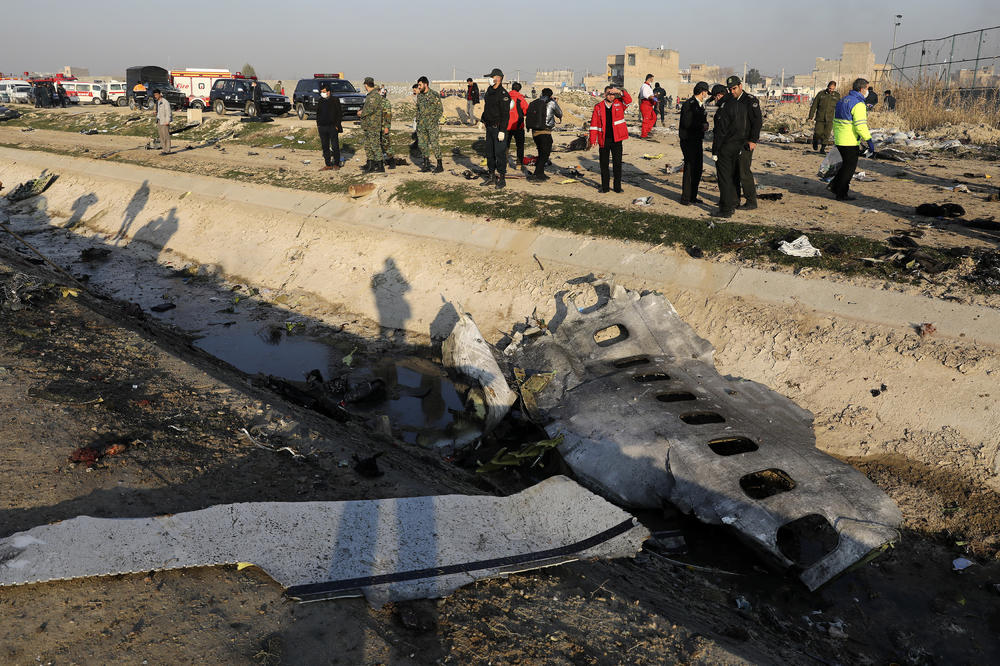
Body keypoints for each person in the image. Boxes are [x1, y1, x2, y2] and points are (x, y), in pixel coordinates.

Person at [830, 78, 874, 202]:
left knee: (843, 166)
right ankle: (841, 193)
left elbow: (836, 121)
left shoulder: (842, 100)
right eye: (866, 88)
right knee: (849, 169)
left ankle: (835, 187)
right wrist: (869, 141)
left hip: (840, 139)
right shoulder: (858, 104)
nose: (867, 91)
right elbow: (860, 126)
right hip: (850, 141)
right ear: (861, 89)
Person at [723, 75, 762, 210]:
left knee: (744, 171)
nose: (732, 91)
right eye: (730, 89)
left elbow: (757, 122)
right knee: (733, 171)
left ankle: (751, 201)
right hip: (732, 141)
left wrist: (753, 140)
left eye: (734, 88)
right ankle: (734, 200)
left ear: (740, 86)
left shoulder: (750, 101)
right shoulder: (730, 100)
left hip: (745, 142)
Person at [589, 85, 632, 193]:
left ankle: (617, 187)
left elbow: (628, 100)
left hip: (617, 139)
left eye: (613, 94)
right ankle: (605, 187)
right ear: (604, 94)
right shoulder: (598, 107)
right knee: (604, 165)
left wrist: (619, 91)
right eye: (609, 93)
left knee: (617, 164)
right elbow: (594, 124)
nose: (611, 96)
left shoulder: (620, 104)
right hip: (604, 140)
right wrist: (592, 139)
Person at [678, 81, 712, 205]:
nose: (707, 95)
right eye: (706, 92)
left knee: (698, 168)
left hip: (697, 139)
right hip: (688, 140)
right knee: (690, 168)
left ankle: (693, 196)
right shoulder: (689, 104)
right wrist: (701, 125)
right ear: (702, 92)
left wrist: (705, 124)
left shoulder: (701, 105)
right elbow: (687, 123)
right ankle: (686, 197)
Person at [479, 67, 511, 189]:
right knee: (489, 153)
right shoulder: (489, 91)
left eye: (492, 77)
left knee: (500, 154)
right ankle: (491, 177)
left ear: (499, 78)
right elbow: (487, 108)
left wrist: (502, 130)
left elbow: (505, 114)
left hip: (499, 129)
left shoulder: (503, 95)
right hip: (489, 128)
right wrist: (482, 120)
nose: (490, 79)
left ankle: (502, 179)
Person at [526, 87, 562, 182]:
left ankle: (541, 173)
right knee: (545, 154)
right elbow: (560, 114)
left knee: (541, 153)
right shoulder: (552, 103)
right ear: (550, 95)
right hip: (545, 131)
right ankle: (537, 174)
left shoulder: (535, 102)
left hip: (535, 132)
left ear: (541, 94)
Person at [415, 76, 444, 173]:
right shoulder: (419, 96)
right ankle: (426, 164)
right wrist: (418, 121)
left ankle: (440, 165)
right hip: (421, 125)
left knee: (434, 144)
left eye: (420, 85)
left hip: (432, 125)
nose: (418, 87)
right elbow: (418, 110)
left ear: (425, 84)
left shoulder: (434, 95)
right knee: (422, 145)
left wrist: (434, 120)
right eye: (418, 85)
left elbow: (440, 110)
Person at [359, 77, 386, 173]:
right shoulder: (371, 95)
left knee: (375, 145)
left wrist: (361, 113)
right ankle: (370, 165)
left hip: (373, 125)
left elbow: (371, 109)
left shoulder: (374, 95)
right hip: (368, 125)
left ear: (366, 85)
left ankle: (380, 166)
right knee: (368, 145)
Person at [315, 83, 343, 171]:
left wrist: (337, 125)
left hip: (332, 127)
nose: (322, 93)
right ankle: (328, 164)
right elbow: (318, 113)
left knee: (335, 146)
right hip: (322, 127)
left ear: (328, 92)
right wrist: (318, 125)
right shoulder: (320, 101)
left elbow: (339, 114)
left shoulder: (335, 100)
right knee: (325, 146)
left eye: (324, 92)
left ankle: (336, 164)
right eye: (321, 92)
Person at [807, 81, 840, 153]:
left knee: (827, 134)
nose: (831, 90)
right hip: (820, 117)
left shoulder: (837, 96)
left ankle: (823, 148)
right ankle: (815, 141)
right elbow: (814, 105)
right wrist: (810, 116)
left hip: (830, 118)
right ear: (827, 87)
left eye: (832, 89)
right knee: (818, 133)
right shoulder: (821, 94)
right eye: (830, 88)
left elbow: (839, 107)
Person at [505, 81, 529, 172]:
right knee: (520, 146)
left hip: (506, 125)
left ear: (511, 88)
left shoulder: (505, 97)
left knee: (506, 145)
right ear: (519, 89)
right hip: (518, 126)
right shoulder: (521, 98)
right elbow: (526, 110)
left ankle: (505, 162)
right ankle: (519, 164)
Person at [153, 89, 172, 155]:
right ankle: (164, 149)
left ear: (160, 94)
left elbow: (168, 112)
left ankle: (168, 150)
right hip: (159, 120)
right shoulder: (157, 102)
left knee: (166, 136)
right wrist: (155, 113)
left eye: (156, 95)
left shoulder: (165, 102)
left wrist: (168, 121)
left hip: (164, 121)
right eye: (154, 95)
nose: (155, 96)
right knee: (161, 136)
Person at [638, 73, 656, 138]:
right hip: (645, 104)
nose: (653, 80)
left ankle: (647, 131)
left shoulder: (648, 86)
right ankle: (644, 135)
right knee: (646, 120)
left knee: (653, 117)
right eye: (652, 78)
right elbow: (646, 95)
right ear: (650, 78)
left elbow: (651, 95)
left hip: (649, 105)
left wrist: (655, 99)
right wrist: (654, 98)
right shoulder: (645, 86)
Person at [379, 87, 394, 169]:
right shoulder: (375, 102)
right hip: (376, 127)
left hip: (383, 126)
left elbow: (388, 115)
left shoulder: (385, 102)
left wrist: (387, 127)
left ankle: (392, 161)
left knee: (386, 144)